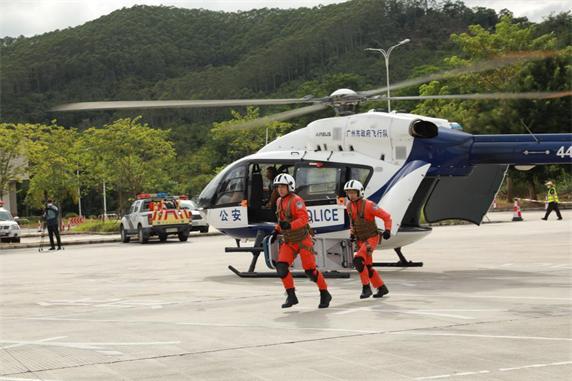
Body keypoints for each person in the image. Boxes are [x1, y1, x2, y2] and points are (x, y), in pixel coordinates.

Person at [270, 173, 332, 309]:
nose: (280, 189)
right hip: (289, 241)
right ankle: (291, 296)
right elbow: (281, 220)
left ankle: (324, 293)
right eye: (278, 187)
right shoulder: (279, 201)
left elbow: (303, 219)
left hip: (303, 241)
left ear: (290, 187)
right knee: (281, 268)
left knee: (310, 271)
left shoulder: (296, 201)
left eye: (283, 186)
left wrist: (290, 225)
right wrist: (276, 230)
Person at [344, 180, 392, 299]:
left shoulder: (369, 205)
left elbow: (387, 217)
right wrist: (352, 233)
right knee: (368, 267)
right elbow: (352, 222)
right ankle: (381, 288)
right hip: (360, 240)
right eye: (348, 193)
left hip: (371, 238)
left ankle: (366, 288)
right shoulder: (349, 205)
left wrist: (387, 230)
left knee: (358, 261)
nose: (351, 195)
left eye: (353, 192)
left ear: (360, 192)